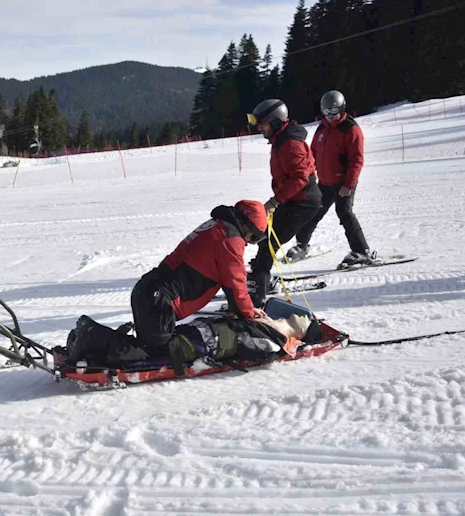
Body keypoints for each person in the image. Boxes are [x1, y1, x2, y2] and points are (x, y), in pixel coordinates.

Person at [129, 200, 270, 361]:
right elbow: (235, 283)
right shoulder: (230, 240)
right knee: (161, 357)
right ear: (246, 225)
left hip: (149, 291)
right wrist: (249, 313)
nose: (250, 242)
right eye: (254, 236)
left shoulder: (215, 226)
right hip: (160, 302)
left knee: (146, 350)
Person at [246, 99, 322, 307]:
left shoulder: (290, 144)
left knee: (268, 244)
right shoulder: (282, 139)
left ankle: (256, 300)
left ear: (276, 122)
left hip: (303, 202)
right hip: (293, 200)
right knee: (265, 239)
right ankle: (263, 278)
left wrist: (274, 201)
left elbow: (300, 178)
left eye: (262, 123)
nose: (259, 127)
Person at [284, 90, 374, 267]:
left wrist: (349, 183)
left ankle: (361, 251)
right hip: (325, 182)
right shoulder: (322, 128)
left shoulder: (351, 129)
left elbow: (357, 159)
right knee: (312, 212)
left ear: (342, 108)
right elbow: (313, 153)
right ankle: (301, 246)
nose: (330, 116)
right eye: (326, 112)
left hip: (344, 182)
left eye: (334, 111)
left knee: (345, 213)